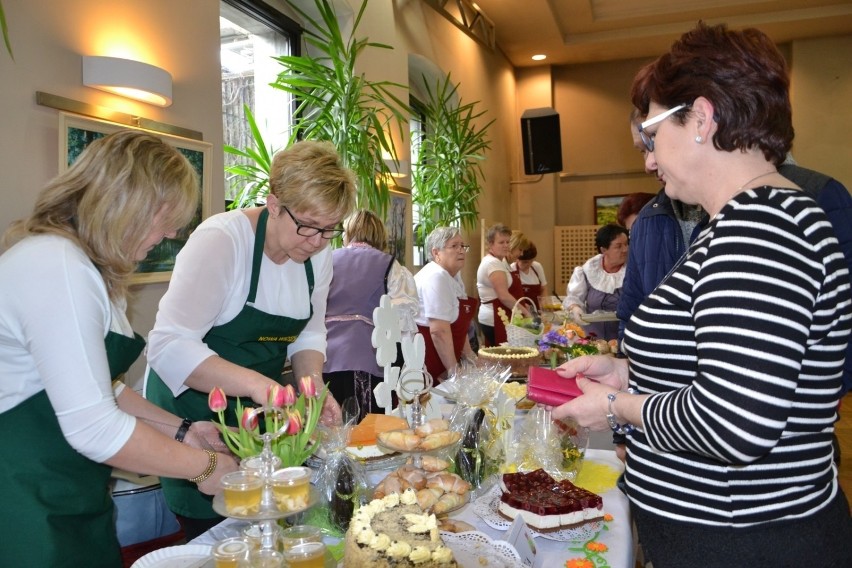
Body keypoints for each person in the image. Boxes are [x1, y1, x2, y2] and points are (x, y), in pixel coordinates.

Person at [553, 23, 852, 567]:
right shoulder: (752, 220)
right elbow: (726, 366)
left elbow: (734, 422)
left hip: (742, 540)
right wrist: (626, 371)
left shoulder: (758, 230)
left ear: (701, 118)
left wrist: (618, 409)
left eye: (653, 134)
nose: (647, 159)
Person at [0, 131, 238, 567]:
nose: (170, 233)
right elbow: (94, 427)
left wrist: (183, 430)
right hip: (20, 498)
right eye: (167, 218)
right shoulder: (56, 266)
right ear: (128, 202)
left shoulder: (85, 270)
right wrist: (204, 467)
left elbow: (103, 390)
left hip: (70, 490)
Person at [145, 140, 356, 537]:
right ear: (274, 203)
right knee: (217, 532)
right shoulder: (222, 241)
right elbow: (168, 345)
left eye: (329, 230)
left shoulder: (319, 253)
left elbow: (309, 329)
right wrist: (263, 386)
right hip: (194, 409)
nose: (316, 241)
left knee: (270, 526)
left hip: (260, 414)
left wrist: (311, 388)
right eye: (308, 226)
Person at [616, 107, 705, 345]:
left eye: (653, 142)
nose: (649, 163)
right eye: (643, 150)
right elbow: (630, 312)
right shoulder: (647, 221)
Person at [323, 209, 419, 417]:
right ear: (380, 235)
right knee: (365, 425)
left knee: (330, 423)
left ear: (346, 233)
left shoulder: (326, 260)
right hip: (369, 357)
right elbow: (402, 321)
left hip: (322, 357)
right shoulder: (390, 266)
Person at [414, 227, 478, 381]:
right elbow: (439, 331)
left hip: (445, 357)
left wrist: (471, 359)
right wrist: (454, 372)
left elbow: (458, 325)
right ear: (436, 253)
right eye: (454, 246)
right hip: (429, 360)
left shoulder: (453, 277)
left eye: (463, 246)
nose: (461, 250)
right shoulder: (435, 277)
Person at [562, 223, 629, 340]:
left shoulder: (633, 271)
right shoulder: (588, 270)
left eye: (626, 244)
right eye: (618, 246)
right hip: (593, 339)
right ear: (604, 250)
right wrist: (575, 307)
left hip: (625, 339)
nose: (625, 249)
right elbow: (574, 298)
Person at [476, 223, 525, 346]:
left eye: (508, 242)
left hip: (499, 315)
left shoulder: (499, 261)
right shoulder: (492, 263)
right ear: (491, 244)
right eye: (501, 242)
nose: (506, 246)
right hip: (494, 318)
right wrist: (526, 313)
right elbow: (503, 296)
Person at [510, 240, 547, 309]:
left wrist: (543, 304)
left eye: (531, 261)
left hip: (537, 310)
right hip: (519, 311)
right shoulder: (511, 269)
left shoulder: (537, 267)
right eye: (525, 262)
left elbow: (543, 289)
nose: (529, 264)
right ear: (517, 259)